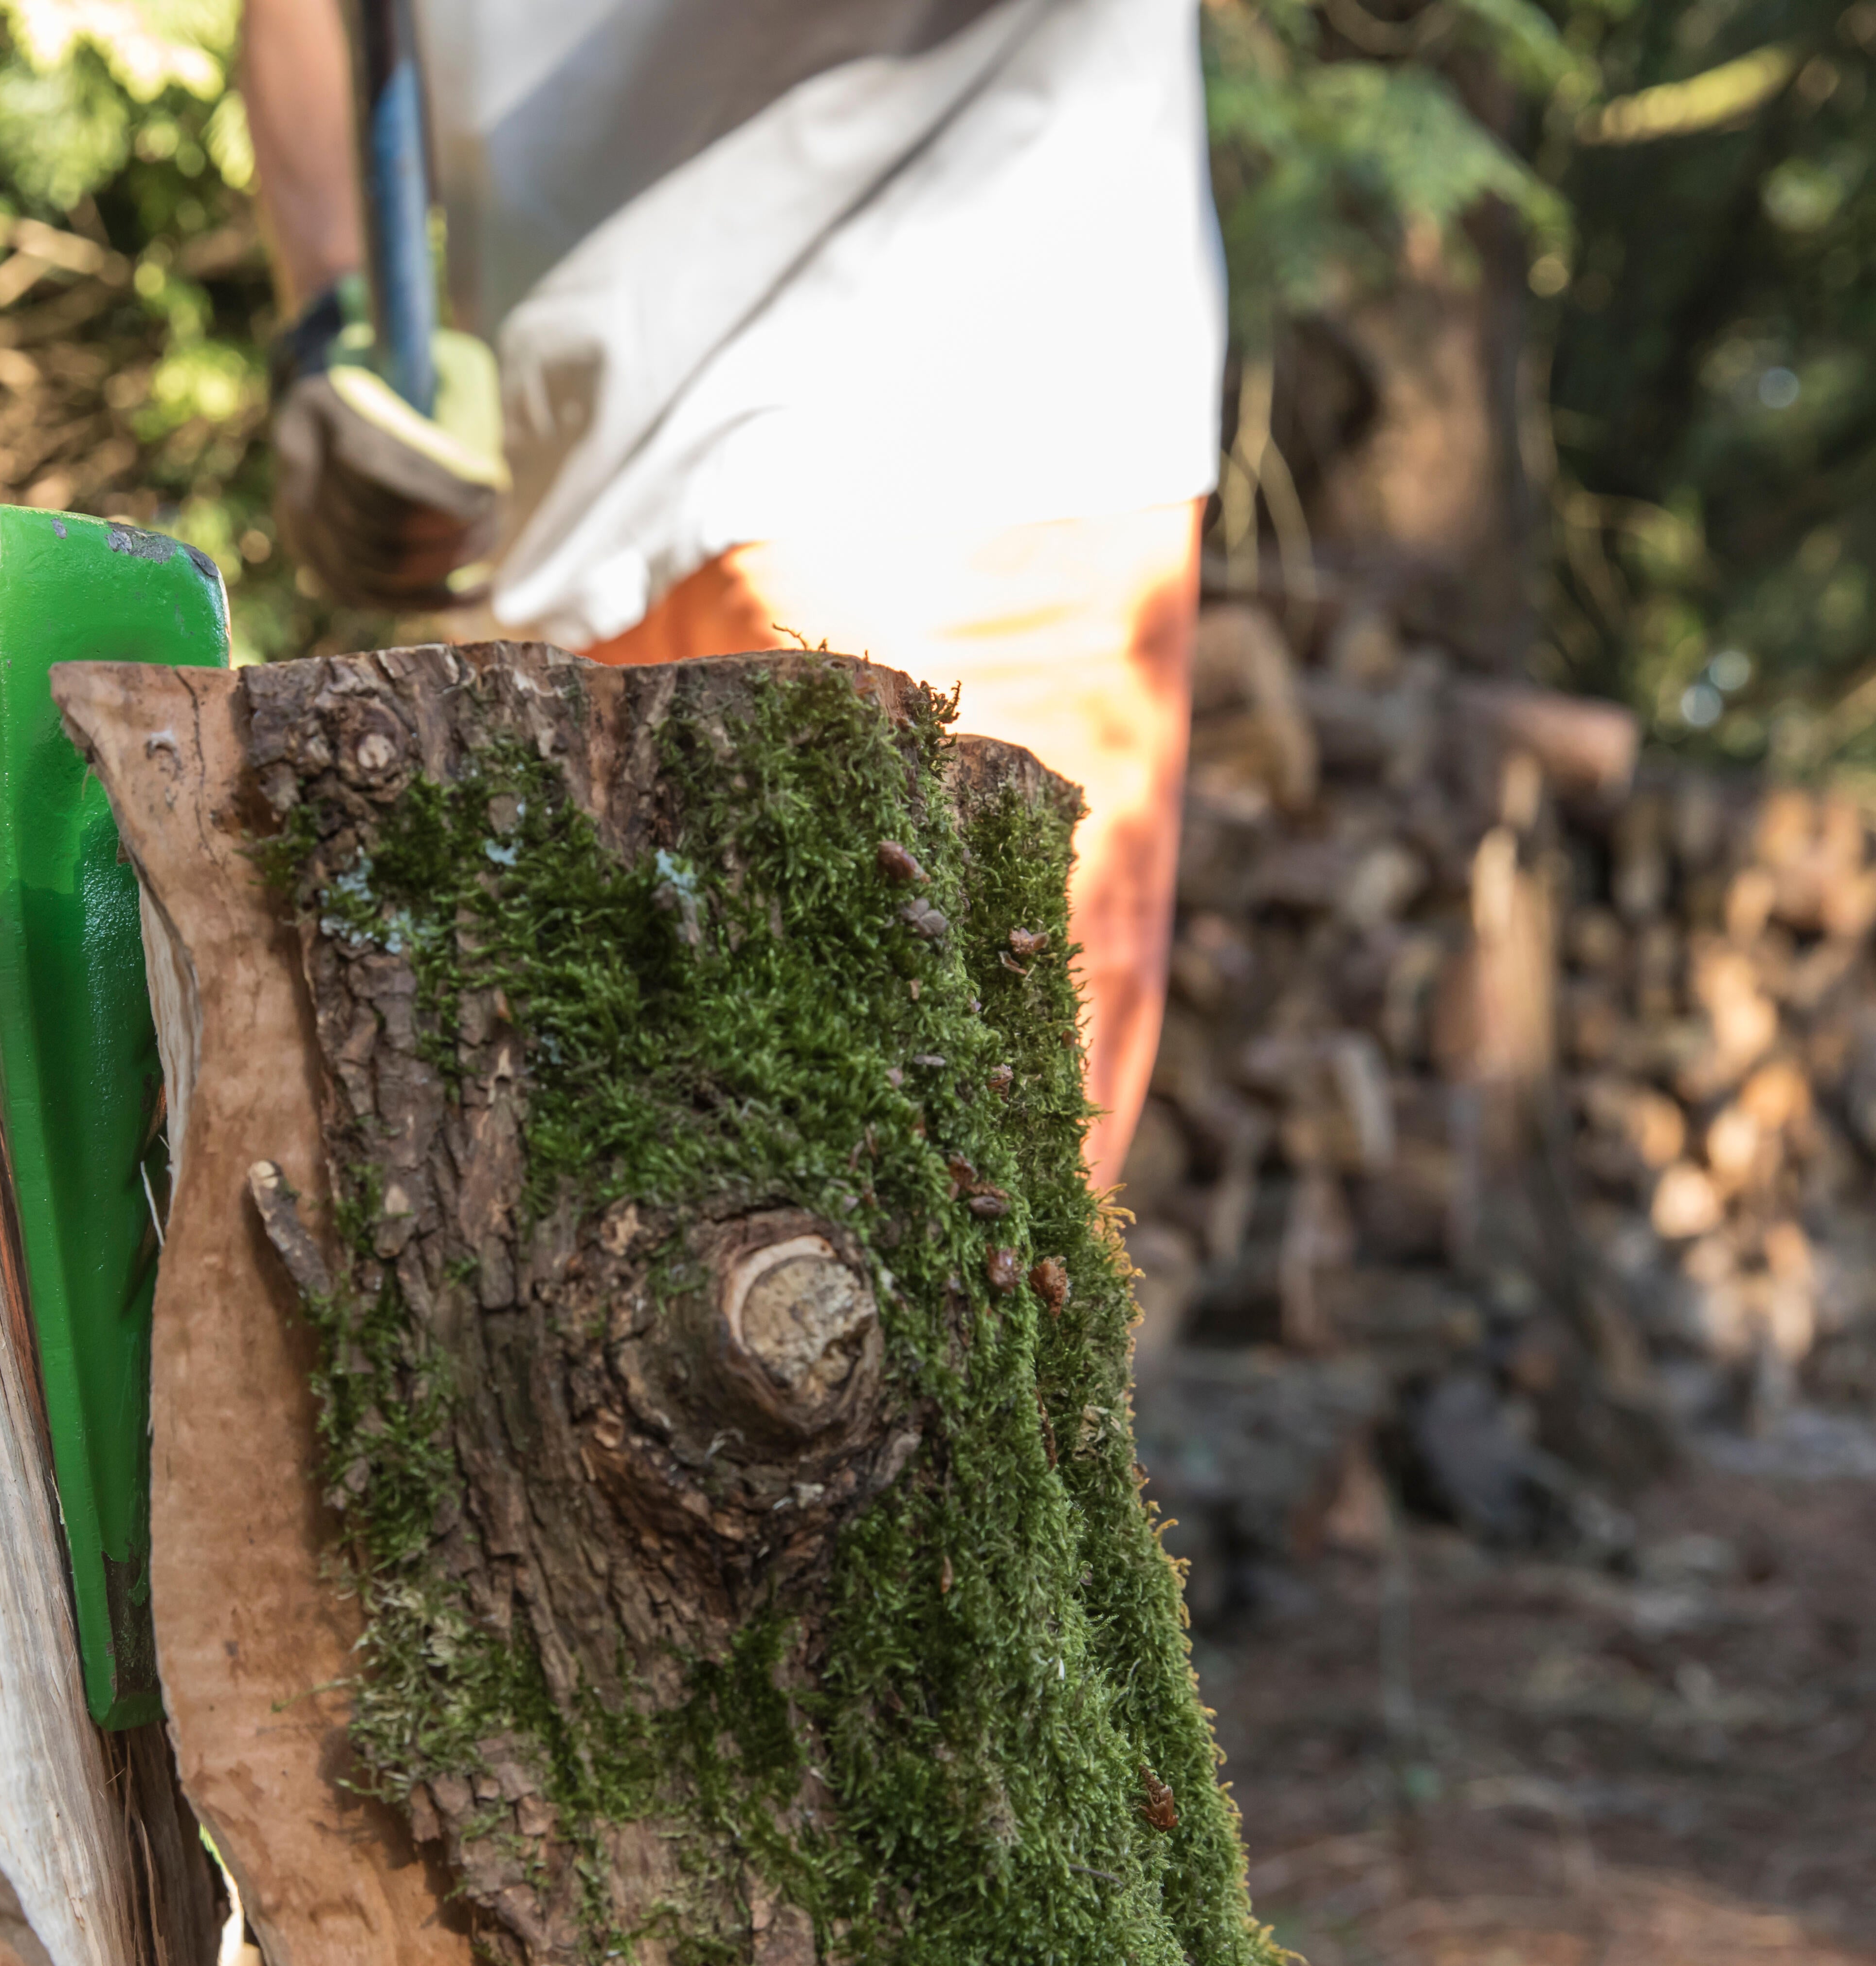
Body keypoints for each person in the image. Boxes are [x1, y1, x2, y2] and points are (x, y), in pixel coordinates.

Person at [243, 0, 1222, 1183]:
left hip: (967, 414)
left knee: (954, 1215)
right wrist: (331, 324)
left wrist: (326, 312)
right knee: (587, 1225)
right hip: (567, 495)